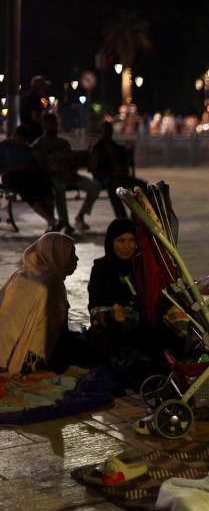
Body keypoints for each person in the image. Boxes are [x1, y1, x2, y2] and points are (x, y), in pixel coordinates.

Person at [0, 232, 85, 374]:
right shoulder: (52, 283)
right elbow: (53, 336)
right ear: (56, 255)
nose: (76, 259)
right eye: (71, 254)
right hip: (28, 362)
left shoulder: (20, 274)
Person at [87, 218, 157, 386]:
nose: (127, 246)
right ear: (111, 242)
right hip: (112, 328)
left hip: (140, 326)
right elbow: (94, 305)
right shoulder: (101, 268)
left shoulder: (142, 267)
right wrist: (114, 315)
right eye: (121, 241)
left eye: (132, 240)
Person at [33, 113, 100, 233]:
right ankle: (64, 222)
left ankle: (80, 216)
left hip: (69, 176)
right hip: (53, 178)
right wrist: (57, 173)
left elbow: (71, 161)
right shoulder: (39, 144)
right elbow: (41, 167)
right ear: (44, 125)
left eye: (55, 124)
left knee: (94, 186)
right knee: (59, 187)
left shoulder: (63, 143)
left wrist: (71, 172)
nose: (54, 127)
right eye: (51, 124)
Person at [0, 125, 58, 229]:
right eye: (20, 139)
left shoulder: (27, 149)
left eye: (24, 140)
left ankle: (51, 221)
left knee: (46, 189)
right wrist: (17, 168)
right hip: (12, 176)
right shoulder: (5, 146)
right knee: (28, 192)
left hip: (29, 175)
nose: (22, 142)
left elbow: (34, 166)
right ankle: (51, 220)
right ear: (15, 136)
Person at [88, 121, 147, 219]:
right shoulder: (97, 148)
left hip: (120, 176)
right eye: (105, 130)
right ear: (101, 132)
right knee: (114, 186)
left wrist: (122, 172)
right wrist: (112, 173)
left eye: (109, 130)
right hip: (106, 178)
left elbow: (125, 167)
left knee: (143, 186)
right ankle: (122, 218)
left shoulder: (118, 148)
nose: (107, 133)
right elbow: (96, 170)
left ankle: (136, 214)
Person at [20, 76, 50, 142]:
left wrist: (44, 97)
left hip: (33, 132)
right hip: (32, 133)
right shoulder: (32, 97)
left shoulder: (40, 97)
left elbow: (46, 107)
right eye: (43, 86)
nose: (45, 88)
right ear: (37, 86)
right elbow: (36, 116)